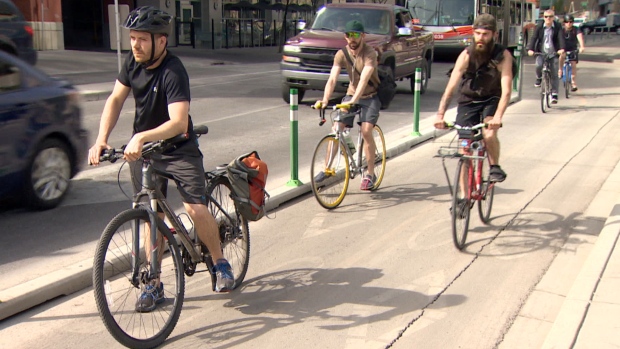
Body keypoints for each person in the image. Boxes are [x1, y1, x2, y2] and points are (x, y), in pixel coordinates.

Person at [87, 6, 234, 312]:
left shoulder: (173, 71)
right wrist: (102, 139)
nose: (135, 45)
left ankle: (220, 263)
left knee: (194, 207)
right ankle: (153, 285)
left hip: (178, 148)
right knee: (151, 217)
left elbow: (178, 122)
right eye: (132, 38)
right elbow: (115, 99)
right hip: (145, 151)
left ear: (162, 41)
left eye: (142, 39)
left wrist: (141, 136)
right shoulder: (132, 63)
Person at [434, 14, 511, 183]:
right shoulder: (466, 55)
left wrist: (498, 117)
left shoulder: (503, 56)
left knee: (489, 134)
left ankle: (494, 167)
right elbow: (451, 88)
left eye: (485, 34)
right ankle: (463, 196)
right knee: (465, 149)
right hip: (468, 100)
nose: (480, 38)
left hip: (492, 98)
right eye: (477, 33)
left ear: (494, 35)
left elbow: (506, 91)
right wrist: (440, 115)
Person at [314, 20, 381, 191]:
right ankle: (327, 168)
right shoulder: (341, 54)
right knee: (336, 127)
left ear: (363, 36)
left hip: (370, 96)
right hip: (351, 95)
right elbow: (332, 79)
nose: (352, 39)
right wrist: (325, 100)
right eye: (348, 35)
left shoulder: (369, 53)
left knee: (366, 131)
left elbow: (365, 79)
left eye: (355, 35)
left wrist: (354, 100)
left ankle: (370, 174)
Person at [527, 9, 565, 104]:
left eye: (550, 16)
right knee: (538, 65)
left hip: (553, 53)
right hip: (541, 52)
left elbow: (561, 38)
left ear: (554, 17)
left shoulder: (557, 26)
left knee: (554, 72)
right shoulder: (539, 26)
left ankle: (554, 93)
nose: (548, 18)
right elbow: (534, 38)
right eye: (546, 17)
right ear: (543, 17)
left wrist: (562, 48)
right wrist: (530, 49)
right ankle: (539, 78)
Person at [559, 14, 585, 91]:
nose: (569, 23)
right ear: (564, 23)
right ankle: (560, 70)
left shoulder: (576, 29)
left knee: (573, 64)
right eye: (567, 22)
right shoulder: (561, 30)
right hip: (563, 49)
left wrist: (582, 46)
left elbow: (580, 37)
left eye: (570, 22)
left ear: (573, 22)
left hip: (573, 49)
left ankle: (573, 83)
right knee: (562, 57)